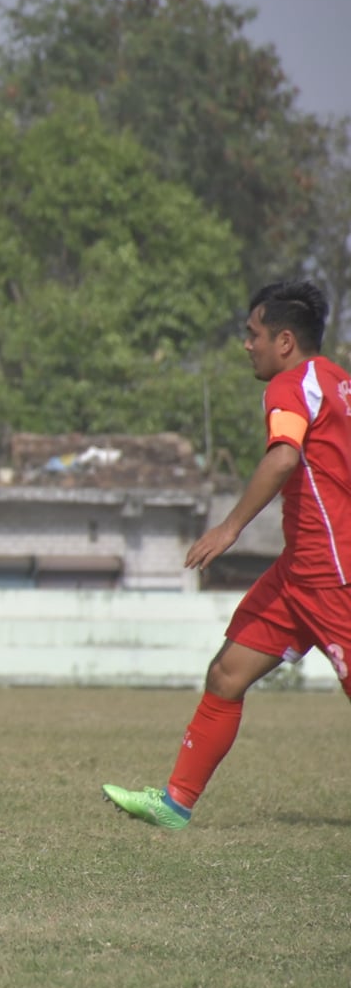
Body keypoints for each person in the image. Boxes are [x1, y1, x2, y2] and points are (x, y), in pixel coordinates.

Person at [105, 280, 347, 829]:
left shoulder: (289, 386)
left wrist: (229, 527)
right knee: (226, 674)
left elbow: (284, 457)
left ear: (285, 341)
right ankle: (175, 803)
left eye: (253, 333)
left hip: (333, 572)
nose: (247, 344)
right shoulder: (337, 382)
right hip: (300, 571)